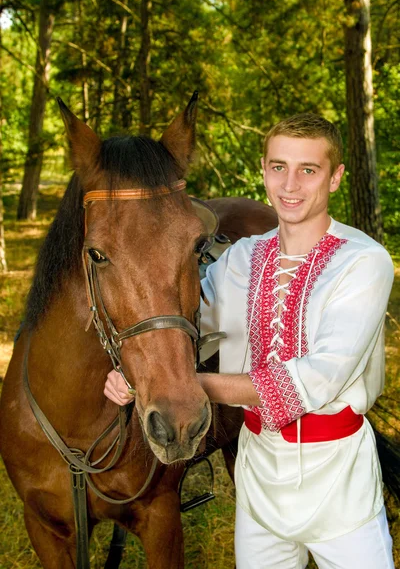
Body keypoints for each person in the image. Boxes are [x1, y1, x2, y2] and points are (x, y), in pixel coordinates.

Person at [104, 113, 395, 569]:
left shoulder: (364, 262)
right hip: (257, 474)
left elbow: (315, 380)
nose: (290, 184)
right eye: (278, 167)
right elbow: (182, 321)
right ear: (263, 171)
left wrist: (192, 385)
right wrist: (135, 372)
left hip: (337, 478)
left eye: (308, 169)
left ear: (336, 177)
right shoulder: (243, 257)